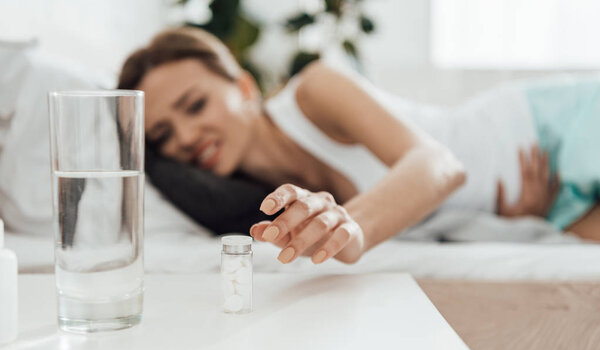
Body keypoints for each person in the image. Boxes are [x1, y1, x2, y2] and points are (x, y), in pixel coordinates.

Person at [118, 27, 599, 264]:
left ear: (245, 87)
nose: (183, 138)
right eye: (162, 135)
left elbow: (439, 163)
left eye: (194, 105)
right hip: (543, 204)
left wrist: (351, 226)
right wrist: (518, 226)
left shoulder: (313, 91)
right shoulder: (258, 201)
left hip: (534, 133)